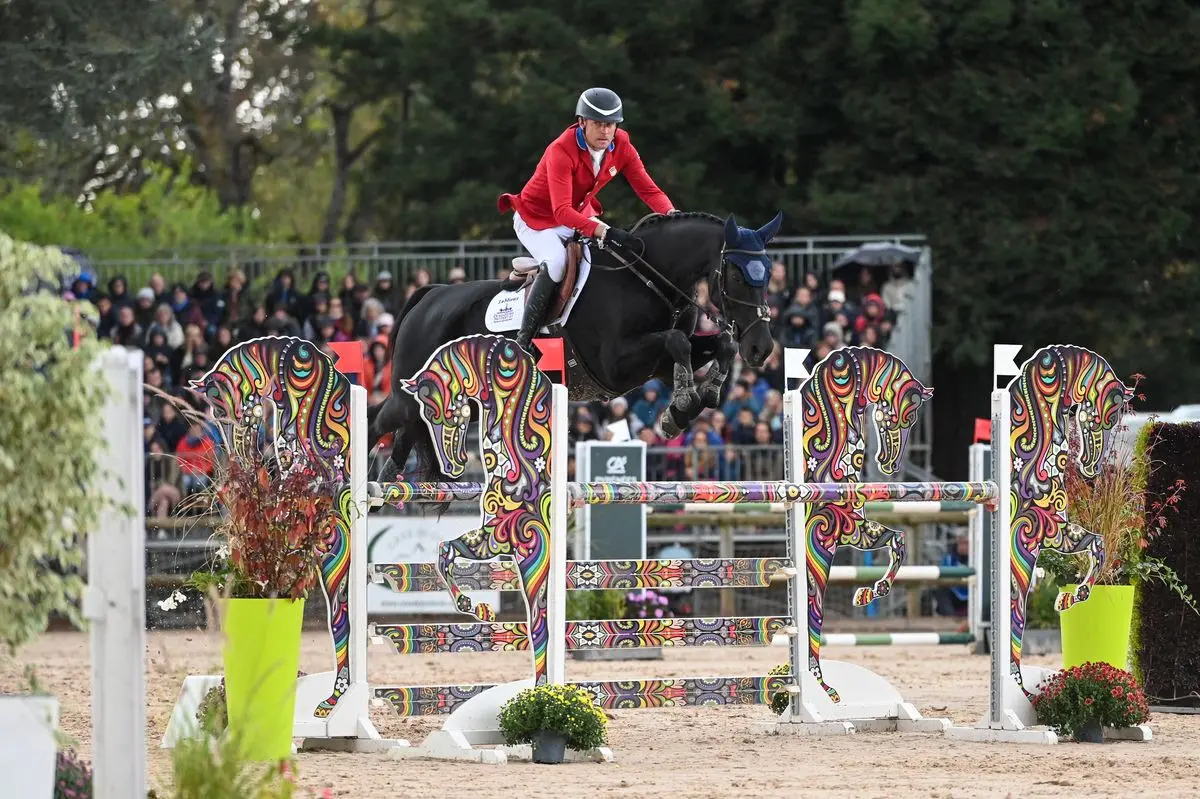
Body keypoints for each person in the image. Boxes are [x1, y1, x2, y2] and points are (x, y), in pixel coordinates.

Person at [497, 87, 678, 349]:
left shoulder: (622, 145)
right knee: (558, 263)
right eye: (598, 124)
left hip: (579, 214)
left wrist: (671, 214)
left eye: (611, 125)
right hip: (536, 219)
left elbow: (647, 189)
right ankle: (523, 342)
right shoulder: (561, 150)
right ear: (582, 122)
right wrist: (605, 232)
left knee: (613, 255)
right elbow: (561, 211)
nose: (605, 131)